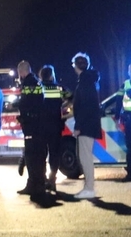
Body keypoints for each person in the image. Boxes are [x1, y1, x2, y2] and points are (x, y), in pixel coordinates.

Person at [70, 52, 100, 199]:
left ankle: (89, 188)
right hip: (89, 124)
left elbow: (84, 107)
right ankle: (88, 187)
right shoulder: (89, 80)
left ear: (76, 66)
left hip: (86, 126)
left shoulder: (84, 82)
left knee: (85, 157)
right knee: (85, 157)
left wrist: (78, 126)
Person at [38, 64, 70, 192]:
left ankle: (43, 178)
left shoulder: (38, 88)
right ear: (52, 75)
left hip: (41, 125)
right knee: (54, 153)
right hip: (56, 124)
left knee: (42, 153)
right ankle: (52, 179)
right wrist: (62, 106)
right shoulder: (59, 88)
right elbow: (71, 97)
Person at [16, 60, 44, 195]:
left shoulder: (28, 83)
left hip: (30, 124)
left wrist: (20, 111)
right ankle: (39, 183)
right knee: (38, 155)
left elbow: (26, 102)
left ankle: (32, 184)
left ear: (21, 71)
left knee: (31, 155)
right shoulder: (37, 82)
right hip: (38, 123)